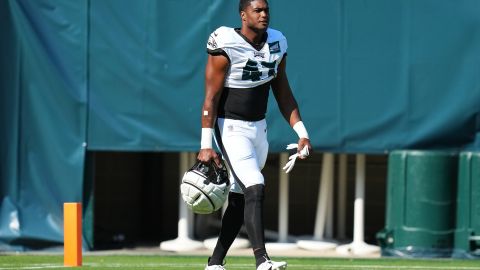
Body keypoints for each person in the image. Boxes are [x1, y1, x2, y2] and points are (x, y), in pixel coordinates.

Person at [197, 0, 312, 269]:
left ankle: (214, 263)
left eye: (266, 10)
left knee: (240, 197)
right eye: (257, 10)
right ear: (243, 14)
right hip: (230, 127)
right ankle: (262, 260)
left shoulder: (277, 42)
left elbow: (282, 92)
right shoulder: (225, 42)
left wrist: (302, 133)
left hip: (258, 128)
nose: (263, 15)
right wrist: (205, 144)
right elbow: (210, 98)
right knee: (255, 186)